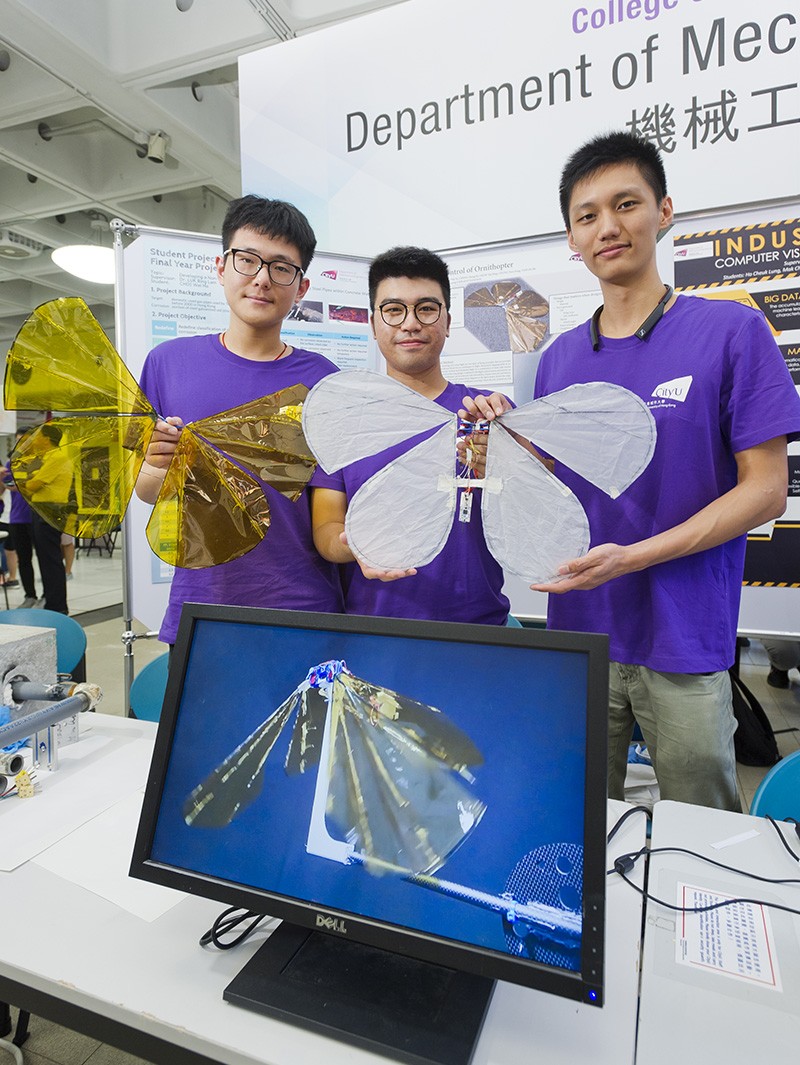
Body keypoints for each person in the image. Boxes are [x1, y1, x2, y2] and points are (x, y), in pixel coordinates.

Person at [468, 131, 800, 811]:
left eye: (626, 204)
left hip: (683, 637)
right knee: (580, 818)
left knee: (699, 830)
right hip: (579, 631)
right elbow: (553, 483)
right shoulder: (556, 360)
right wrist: (499, 439)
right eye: (587, 215)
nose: (608, 227)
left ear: (665, 211)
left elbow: (765, 490)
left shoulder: (730, 333)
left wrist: (636, 556)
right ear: (572, 237)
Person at [135, 195, 344, 646]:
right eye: (247, 260)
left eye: (281, 267)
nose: (262, 279)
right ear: (221, 266)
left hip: (302, 609)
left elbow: (330, 500)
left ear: (301, 287)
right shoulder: (169, 363)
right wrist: (154, 465)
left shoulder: (324, 381)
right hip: (203, 604)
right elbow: (148, 491)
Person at [311, 246, 511, 625]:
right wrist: (352, 545)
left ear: (448, 321)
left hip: (480, 632)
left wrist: (515, 454)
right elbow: (325, 528)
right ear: (373, 324)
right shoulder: (343, 422)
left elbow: (535, 512)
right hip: (374, 633)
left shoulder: (488, 413)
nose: (410, 323)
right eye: (393, 310)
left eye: (426, 308)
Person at [13, 423, 71, 614]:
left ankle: (57, 606)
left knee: (51, 560)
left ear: (46, 438)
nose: (34, 439)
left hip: (49, 510)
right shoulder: (46, 457)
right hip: (43, 511)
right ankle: (52, 602)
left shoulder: (57, 456)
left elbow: (33, 485)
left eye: (37, 435)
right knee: (46, 559)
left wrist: (26, 481)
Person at [2, 430, 39, 607]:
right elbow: (4, 488)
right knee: (24, 558)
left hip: (37, 517)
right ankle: (30, 595)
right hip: (17, 518)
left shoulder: (39, 462)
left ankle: (49, 594)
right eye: (17, 442)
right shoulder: (11, 463)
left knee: (45, 558)